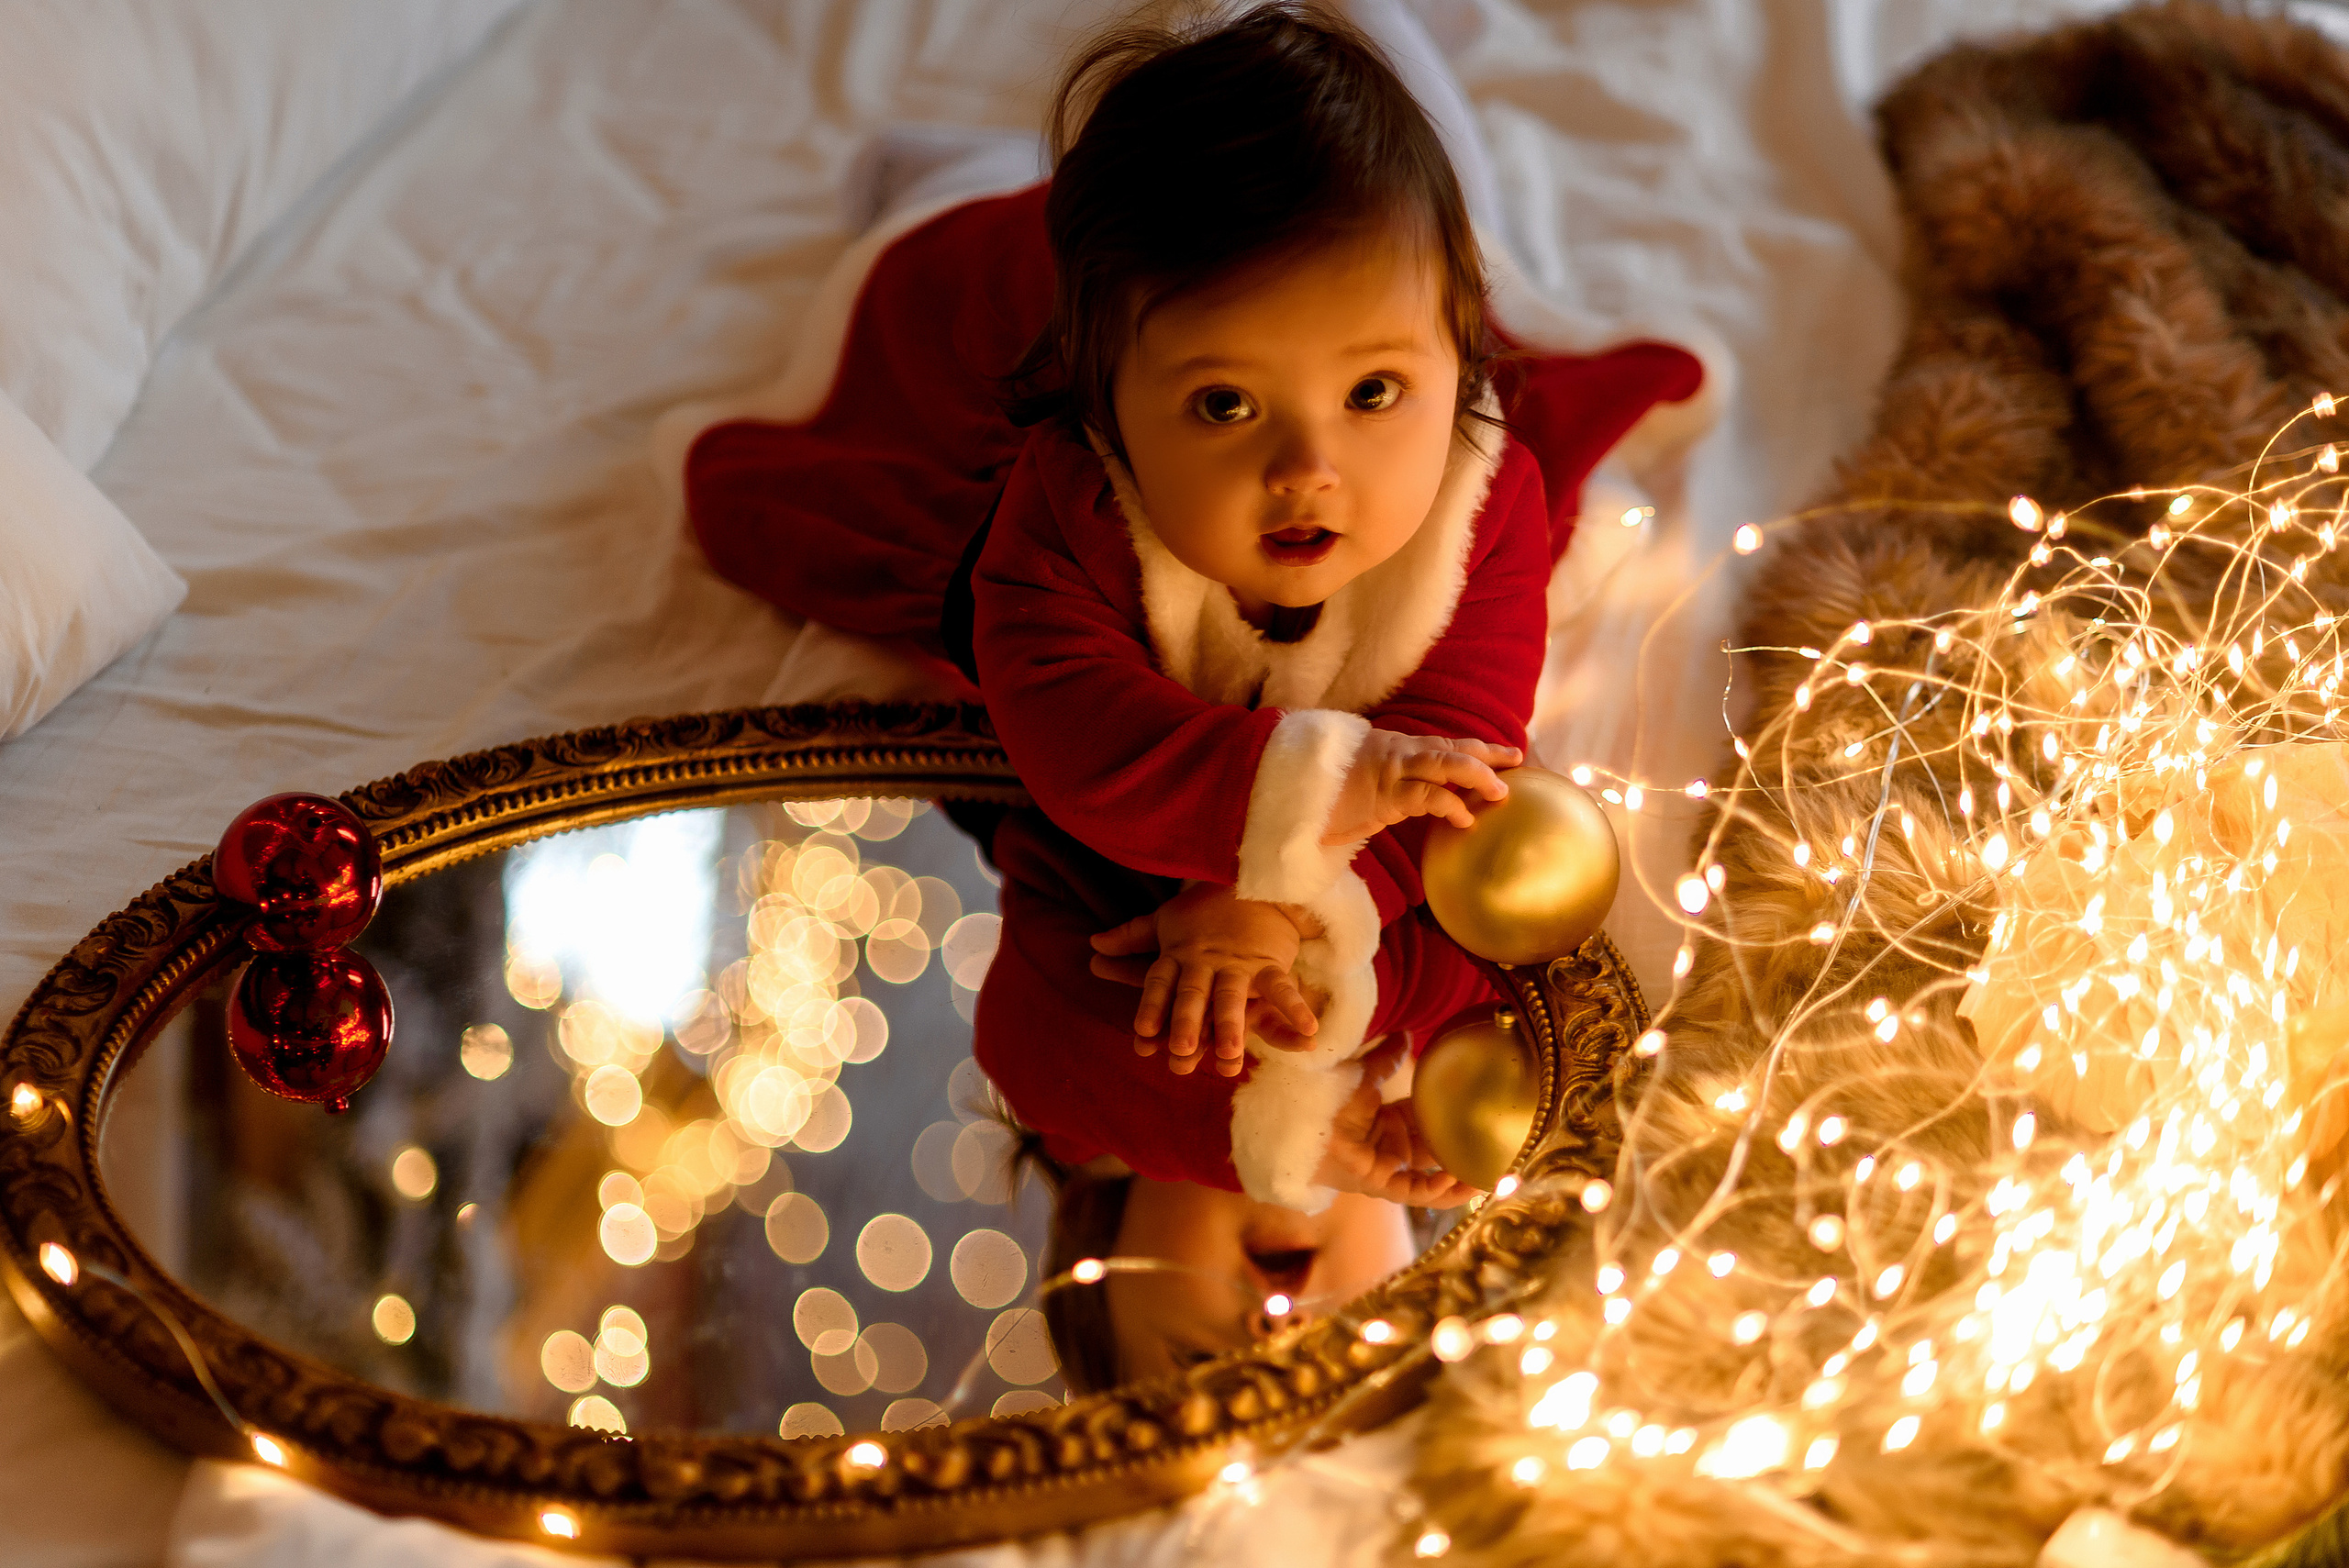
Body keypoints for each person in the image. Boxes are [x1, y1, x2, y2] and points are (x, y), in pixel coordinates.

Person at [680, 3, 1704, 1216]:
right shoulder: (1066, 507)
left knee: (1460, 902)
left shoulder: (1483, 498)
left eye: (1376, 391)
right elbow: (1080, 735)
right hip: (1131, 754)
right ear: (1106, 411)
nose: (1308, 466)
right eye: (1227, 409)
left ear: (1459, 356)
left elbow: (1456, 750)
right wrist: (1302, 809)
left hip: (1300, 867)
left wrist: (1281, 905)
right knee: (1044, 1032)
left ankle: (1326, 1044)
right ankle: (948, 175)